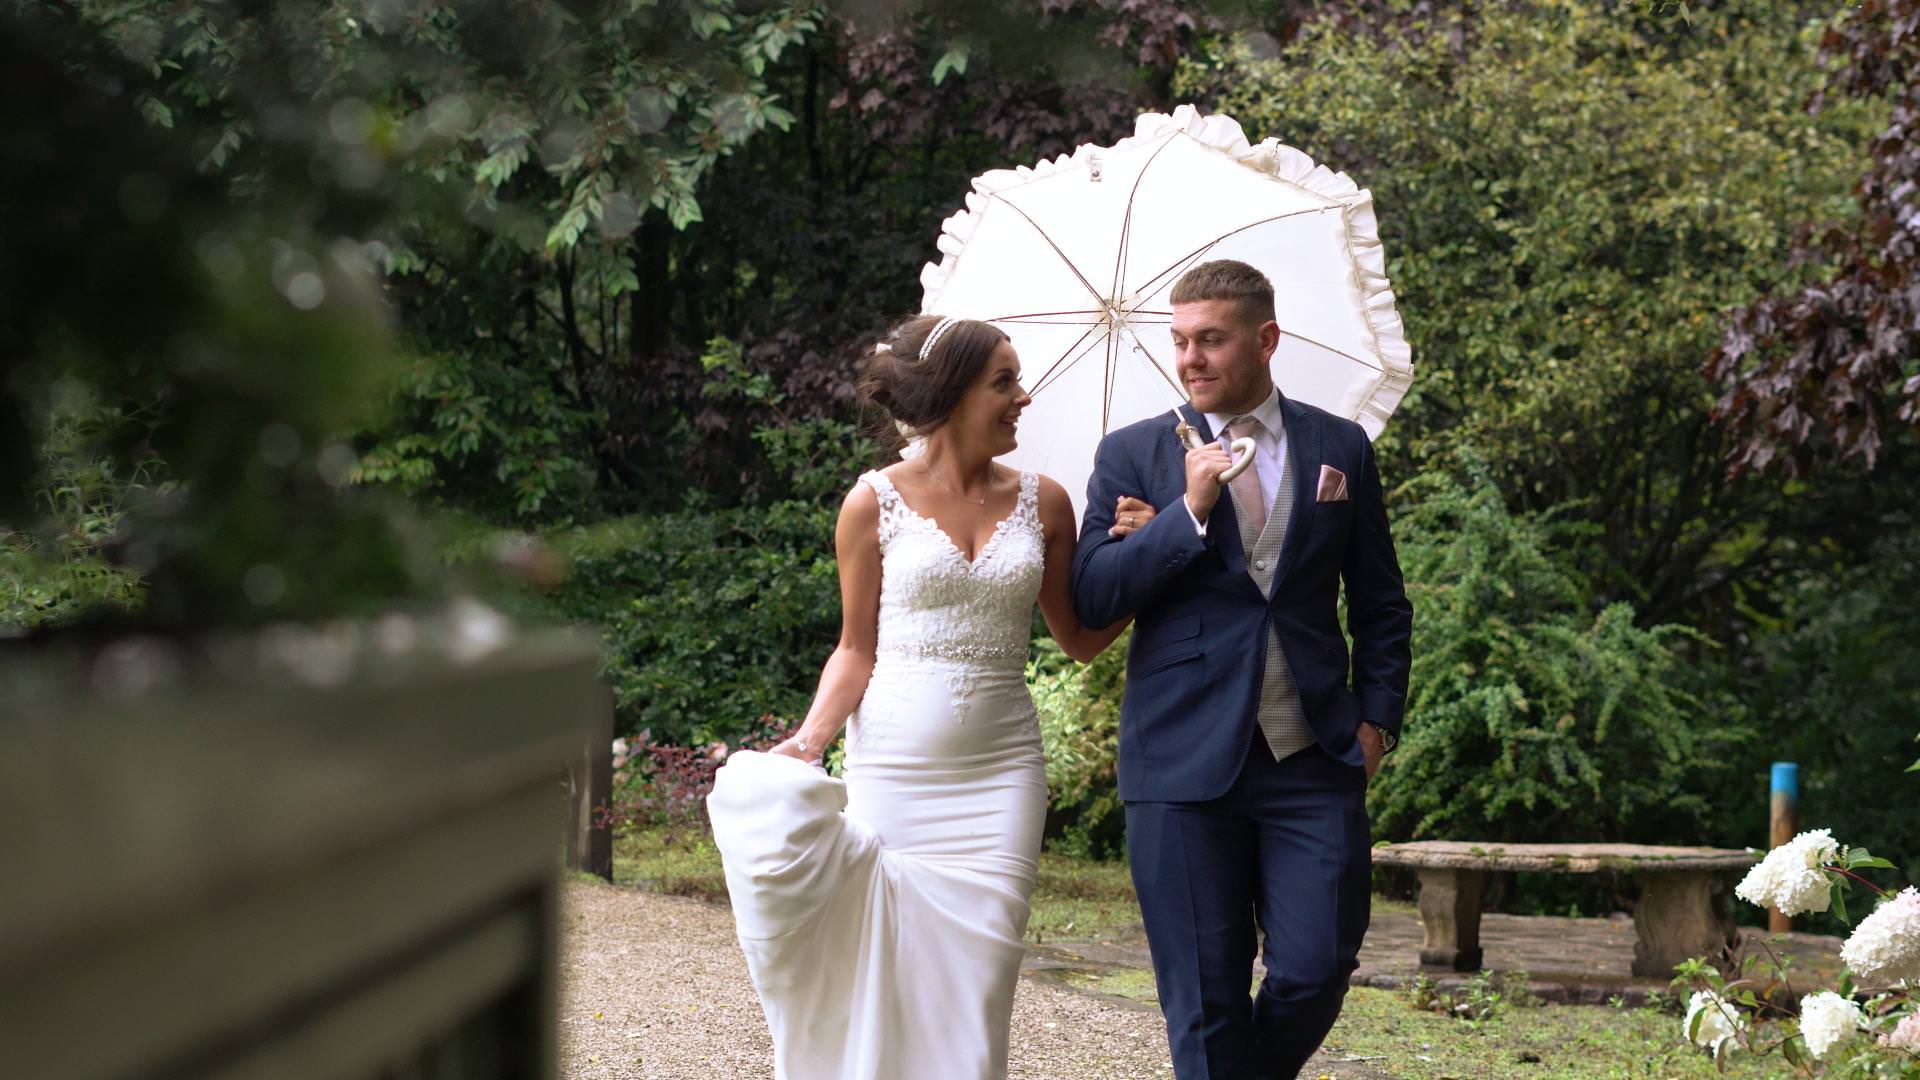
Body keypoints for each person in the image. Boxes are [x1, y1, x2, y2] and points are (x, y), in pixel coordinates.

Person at [704, 314, 1157, 1080]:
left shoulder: (1044, 503)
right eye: (1004, 382)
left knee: (976, 994)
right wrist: (811, 739)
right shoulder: (870, 503)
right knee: (891, 974)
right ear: (951, 394)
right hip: (895, 777)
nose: (1024, 398)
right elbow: (856, 648)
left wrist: (1145, 557)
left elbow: (1078, 638)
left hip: (1002, 779)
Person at [1072, 259, 1414, 1080]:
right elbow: (1091, 598)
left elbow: (1381, 604)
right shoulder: (1132, 455)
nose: (1191, 359)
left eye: (1212, 340)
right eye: (1181, 341)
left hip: (1314, 755)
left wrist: (1377, 721)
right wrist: (1184, 514)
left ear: (1265, 339)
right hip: (1180, 760)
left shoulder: (1340, 446)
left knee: (1317, 964)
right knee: (1202, 995)